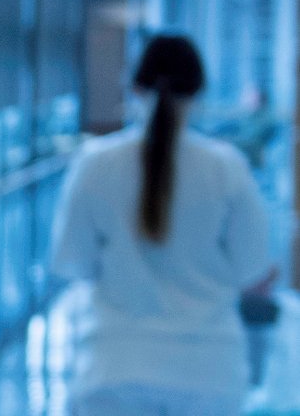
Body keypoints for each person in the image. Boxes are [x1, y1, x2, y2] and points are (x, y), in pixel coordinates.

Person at [54, 33, 274, 416]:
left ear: (135, 86)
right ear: (200, 91)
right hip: (208, 373)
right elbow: (251, 269)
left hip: (114, 368)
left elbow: (72, 262)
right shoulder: (226, 168)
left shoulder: (95, 165)